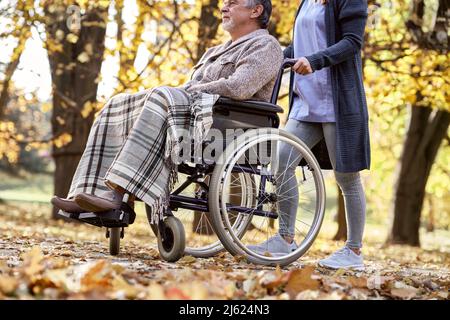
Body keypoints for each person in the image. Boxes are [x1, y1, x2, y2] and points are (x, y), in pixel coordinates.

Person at [51, 0, 283, 223]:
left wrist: (192, 90)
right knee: (117, 103)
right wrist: (187, 91)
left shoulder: (266, 46)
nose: (223, 7)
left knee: (162, 95)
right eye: (224, 2)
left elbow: (239, 87)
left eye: (233, 3)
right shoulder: (215, 51)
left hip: (230, 125)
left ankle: (117, 194)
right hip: (195, 118)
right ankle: (87, 192)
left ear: (256, 11)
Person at [248, 0, 371, 270]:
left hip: (336, 102)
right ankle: (285, 238)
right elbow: (303, 45)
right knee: (280, 162)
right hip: (305, 102)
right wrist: (279, 55)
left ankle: (354, 251)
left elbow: (352, 42)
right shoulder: (307, 1)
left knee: (347, 177)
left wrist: (314, 61)